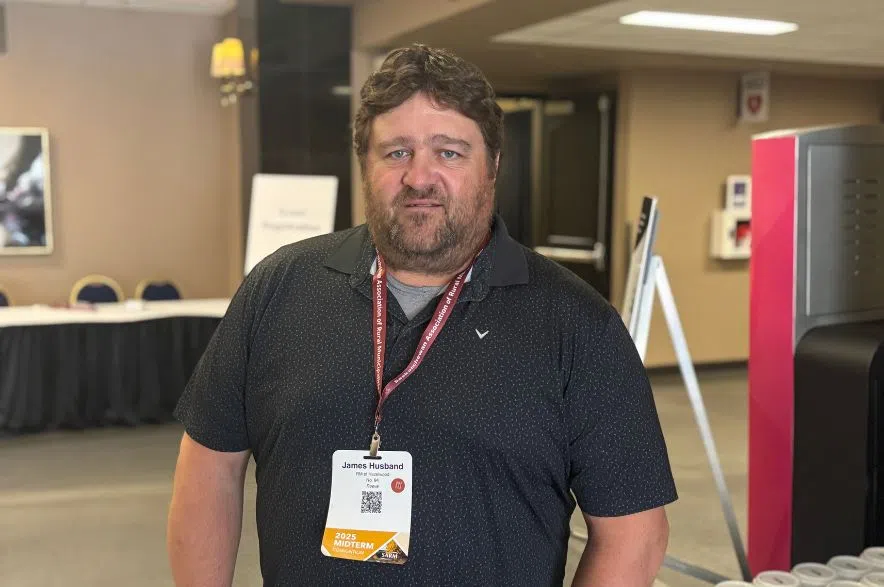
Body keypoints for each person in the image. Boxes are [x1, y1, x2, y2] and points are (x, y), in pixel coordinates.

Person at [167, 44, 677, 587]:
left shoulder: (577, 325)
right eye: (396, 153)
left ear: (493, 166)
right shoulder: (279, 289)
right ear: (365, 163)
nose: (419, 177)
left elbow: (634, 533)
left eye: (450, 153)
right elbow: (210, 468)